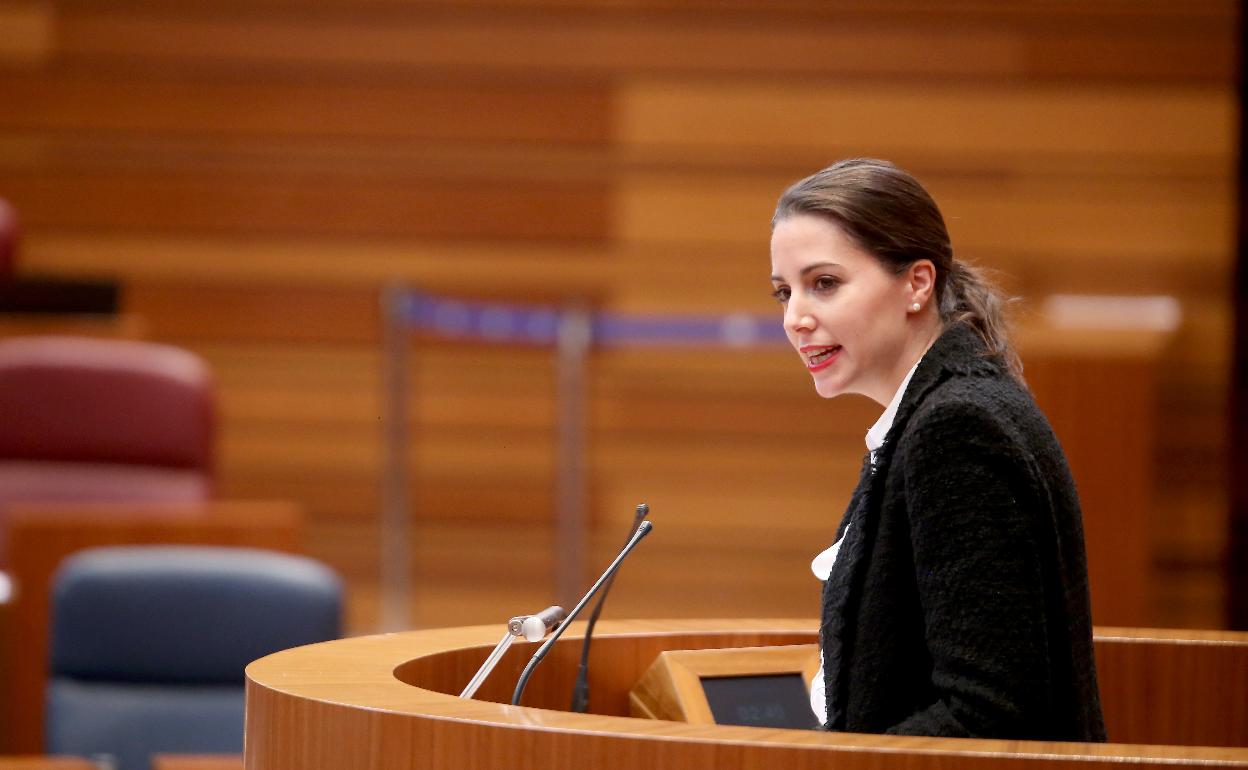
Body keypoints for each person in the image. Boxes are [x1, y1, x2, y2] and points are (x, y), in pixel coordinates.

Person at [769, 158, 1106, 741]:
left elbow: (990, 715)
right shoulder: (939, 411)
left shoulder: (955, 430)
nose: (796, 318)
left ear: (917, 284)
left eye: (824, 283)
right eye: (784, 291)